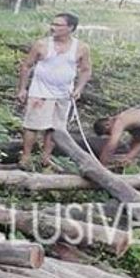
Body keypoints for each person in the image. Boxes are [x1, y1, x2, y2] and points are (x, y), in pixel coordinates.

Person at [16, 13, 92, 171]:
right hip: (40, 92)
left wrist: (78, 89)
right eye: (53, 24)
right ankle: (26, 157)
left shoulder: (81, 48)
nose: (53, 28)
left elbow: (85, 70)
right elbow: (26, 65)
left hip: (64, 93)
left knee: (56, 127)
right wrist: (22, 88)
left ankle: (46, 157)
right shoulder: (42, 44)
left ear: (70, 28)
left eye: (58, 25)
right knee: (32, 124)